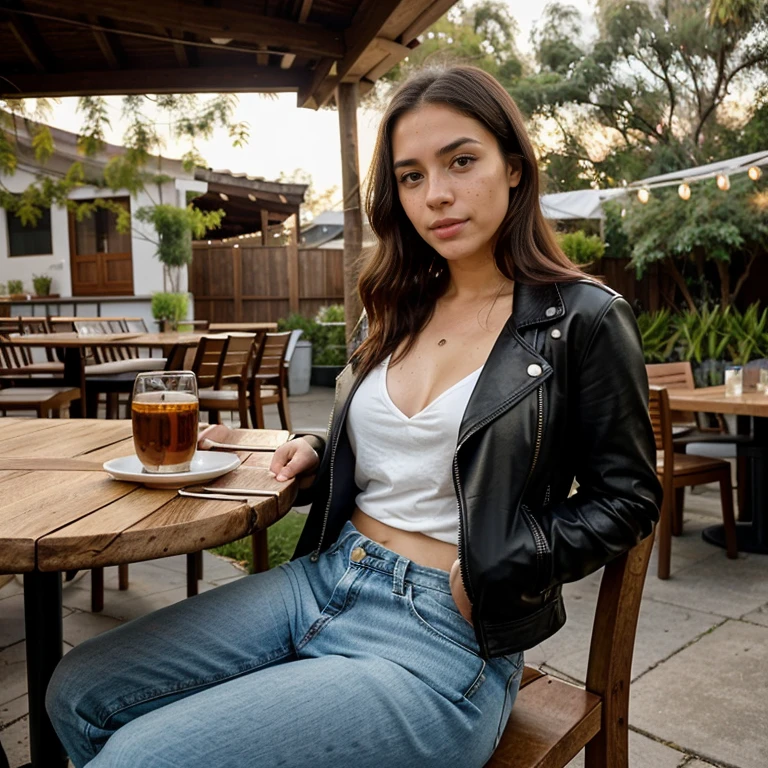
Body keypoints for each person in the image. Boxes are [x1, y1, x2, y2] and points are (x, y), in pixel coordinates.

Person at [46, 65, 661, 768]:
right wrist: (319, 447)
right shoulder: (394, 304)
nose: (437, 195)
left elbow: (630, 499)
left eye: (461, 161)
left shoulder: (582, 319)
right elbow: (403, 443)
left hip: (444, 635)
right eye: (410, 176)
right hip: (327, 575)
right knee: (77, 690)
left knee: (134, 760)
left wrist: (502, 562)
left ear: (514, 168)